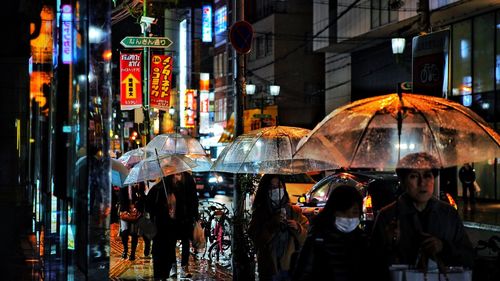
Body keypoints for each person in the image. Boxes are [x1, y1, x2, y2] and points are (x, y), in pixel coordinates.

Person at [371, 152, 474, 279]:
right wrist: (389, 244)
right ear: (403, 182)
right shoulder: (387, 215)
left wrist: (443, 247)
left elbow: (468, 257)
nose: (422, 183)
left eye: (427, 176)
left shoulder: (448, 213)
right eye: (414, 176)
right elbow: (373, 266)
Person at [292, 185, 371, 281]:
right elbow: (304, 272)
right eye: (344, 212)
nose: (349, 217)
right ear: (333, 211)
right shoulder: (318, 238)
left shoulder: (362, 240)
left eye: (354, 212)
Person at [248, 174, 309, 281]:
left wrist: (298, 228)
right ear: (266, 190)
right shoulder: (260, 213)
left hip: (290, 268)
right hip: (269, 269)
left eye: (279, 186)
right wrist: (271, 225)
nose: (277, 190)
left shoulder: (295, 211)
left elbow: (306, 239)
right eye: (272, 187)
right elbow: (256, 240)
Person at [146, 172, 199, 281]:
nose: (176, 179)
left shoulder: (178, 187)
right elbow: (149, 208)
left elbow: (190, 201)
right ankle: (166, 272)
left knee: (165, 253)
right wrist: (165, 208)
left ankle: (168, 272)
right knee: (163, 254)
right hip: (162, 229)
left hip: (170, 228)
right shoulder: (158, 190)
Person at [119, 182, 149, 261]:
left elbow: (142, 199)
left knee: (134, 234)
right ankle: (125, 250)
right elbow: (121, 200)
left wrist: (136, 206)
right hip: (125, 213)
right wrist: (127, 209)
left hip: (135, 214)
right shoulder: (123, 187)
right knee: (124, 232)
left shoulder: (139, 188)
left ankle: (132, 253)